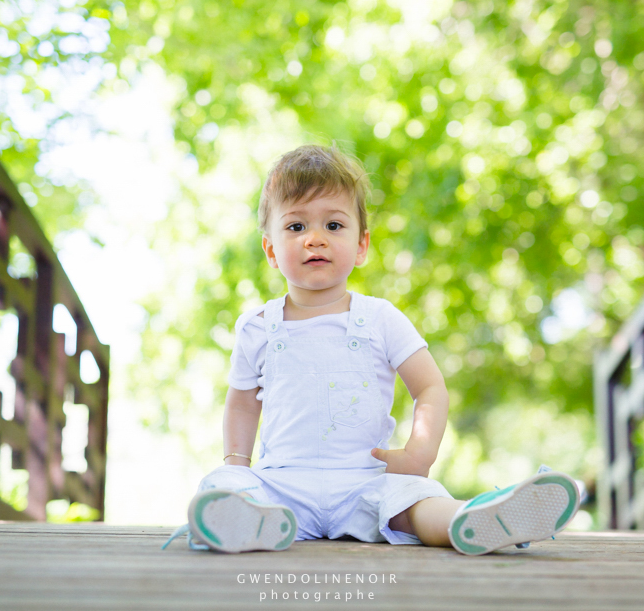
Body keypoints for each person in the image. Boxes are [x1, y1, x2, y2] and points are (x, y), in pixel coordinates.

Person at [163, 144, 580, 555]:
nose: (314, 240)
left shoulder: (381, 318)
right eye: (295, 227)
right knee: (225, 483)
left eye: (333, 225)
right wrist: (237, 461)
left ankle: (472, 520)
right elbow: (240, 404)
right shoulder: (257, 327)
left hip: (366, 482)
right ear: (270, 249)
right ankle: (247, 521)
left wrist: (420, 453)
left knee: (416, 498)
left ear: (361, 245)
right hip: (281, 486)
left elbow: (430, 387)